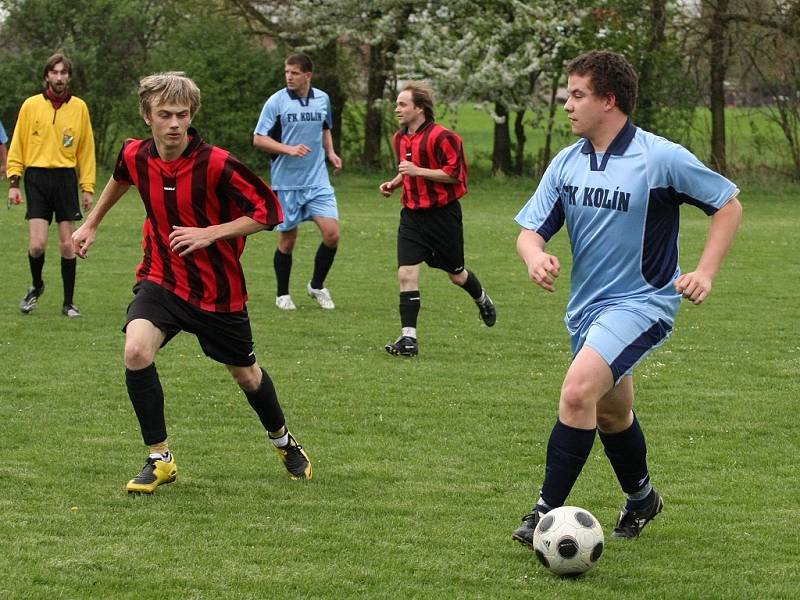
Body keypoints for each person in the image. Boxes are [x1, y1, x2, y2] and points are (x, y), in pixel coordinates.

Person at [512, 51, 742, 543]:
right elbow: (530, 230)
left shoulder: (660, 157)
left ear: (608, 101)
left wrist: (704, 270)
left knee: (577, 394)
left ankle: (542, 514)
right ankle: (643, 499)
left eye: (578, 95)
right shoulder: (567, 161)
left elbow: (728, 205)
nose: (568, 106)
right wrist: (534, 256)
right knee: (612, 413)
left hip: (644, 303)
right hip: (587, 311)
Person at [72, 72, 312, 494]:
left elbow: (269, 211)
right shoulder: (135, 153)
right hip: (161, 276)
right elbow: (121, 176)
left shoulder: (217, 163)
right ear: (147, 116)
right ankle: (159, 457)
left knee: (246, 375)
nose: (174, 124)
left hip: (218, 291)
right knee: (135, 349)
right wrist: (91, 224)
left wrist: (210, 232)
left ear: (192, 115)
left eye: (182, 115)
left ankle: (283, 440)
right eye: (164, 114)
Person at [379, 81, 496, 357]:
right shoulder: (400, 137)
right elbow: (407, 168)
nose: (397, 109)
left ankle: (482, 299)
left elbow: (455, 174)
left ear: (419, 108)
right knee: (406, 273)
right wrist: (395, 183)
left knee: (456, 275)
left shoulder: (444, 137)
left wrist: (418, 171)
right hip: (412, 216)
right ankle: (409, 339)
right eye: (397, 104)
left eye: (402, 104)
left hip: (443, 216)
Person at [6, 53, 95, 318]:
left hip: (65, 179)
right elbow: (18, 144)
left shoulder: (79, 107)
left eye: (63, 73)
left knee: (68, 245)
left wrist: (87, 186)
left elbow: (86, 149)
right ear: (47, 76)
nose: (59, 77)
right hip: (36, 178)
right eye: (54, 72)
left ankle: (68, 303)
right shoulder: (31, 105)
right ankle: (36, 286)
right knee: (36, 245)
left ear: (68, 77)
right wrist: (14, 181)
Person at [253, 53, 342, 311]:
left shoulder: (322, 98)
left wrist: (331, 153)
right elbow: (258, 139)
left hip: (317, 181)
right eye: (287, 72)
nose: (289, 77)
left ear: (307, 75)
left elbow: (325, 128)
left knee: (332, 234)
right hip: (287, 183)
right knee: (288, 240)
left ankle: (316, 285)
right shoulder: (276, 102)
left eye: (294, 73)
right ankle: (282, 294)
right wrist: (288, 149)